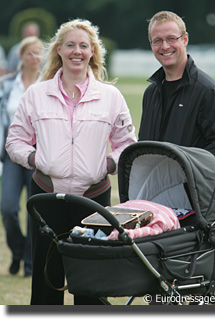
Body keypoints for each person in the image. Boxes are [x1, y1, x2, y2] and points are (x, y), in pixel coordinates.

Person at [6, 19, 137, 305]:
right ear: (59, 51)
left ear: (92, 52)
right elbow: (15, 141)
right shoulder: (36, 95)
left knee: (91, 282)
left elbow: (127, 144)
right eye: (70, 45)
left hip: (93, 199)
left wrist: (107, 165)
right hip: (47, 195)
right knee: (46, 280)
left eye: (83, 46)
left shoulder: (111, 97)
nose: (77, 51)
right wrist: (34, 158)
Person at [138, 11, 215, 170]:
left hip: (190, 192)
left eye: (171, 38)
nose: (165, 46)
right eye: (157, 41)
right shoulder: (151, 93)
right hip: (153, 192)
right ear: (151, 44)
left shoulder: (207, 90)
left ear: (185, 39)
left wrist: (186, 177)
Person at [0, 36, 44, 277]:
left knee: (34, 211)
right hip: (11, 153)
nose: (34, 57)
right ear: (21, 56)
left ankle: (29, 263)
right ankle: (16, 250)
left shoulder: (49, 84)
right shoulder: (7, 85)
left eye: (39, 53)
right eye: (30, 53)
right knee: (7, 207)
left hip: (40, 155)